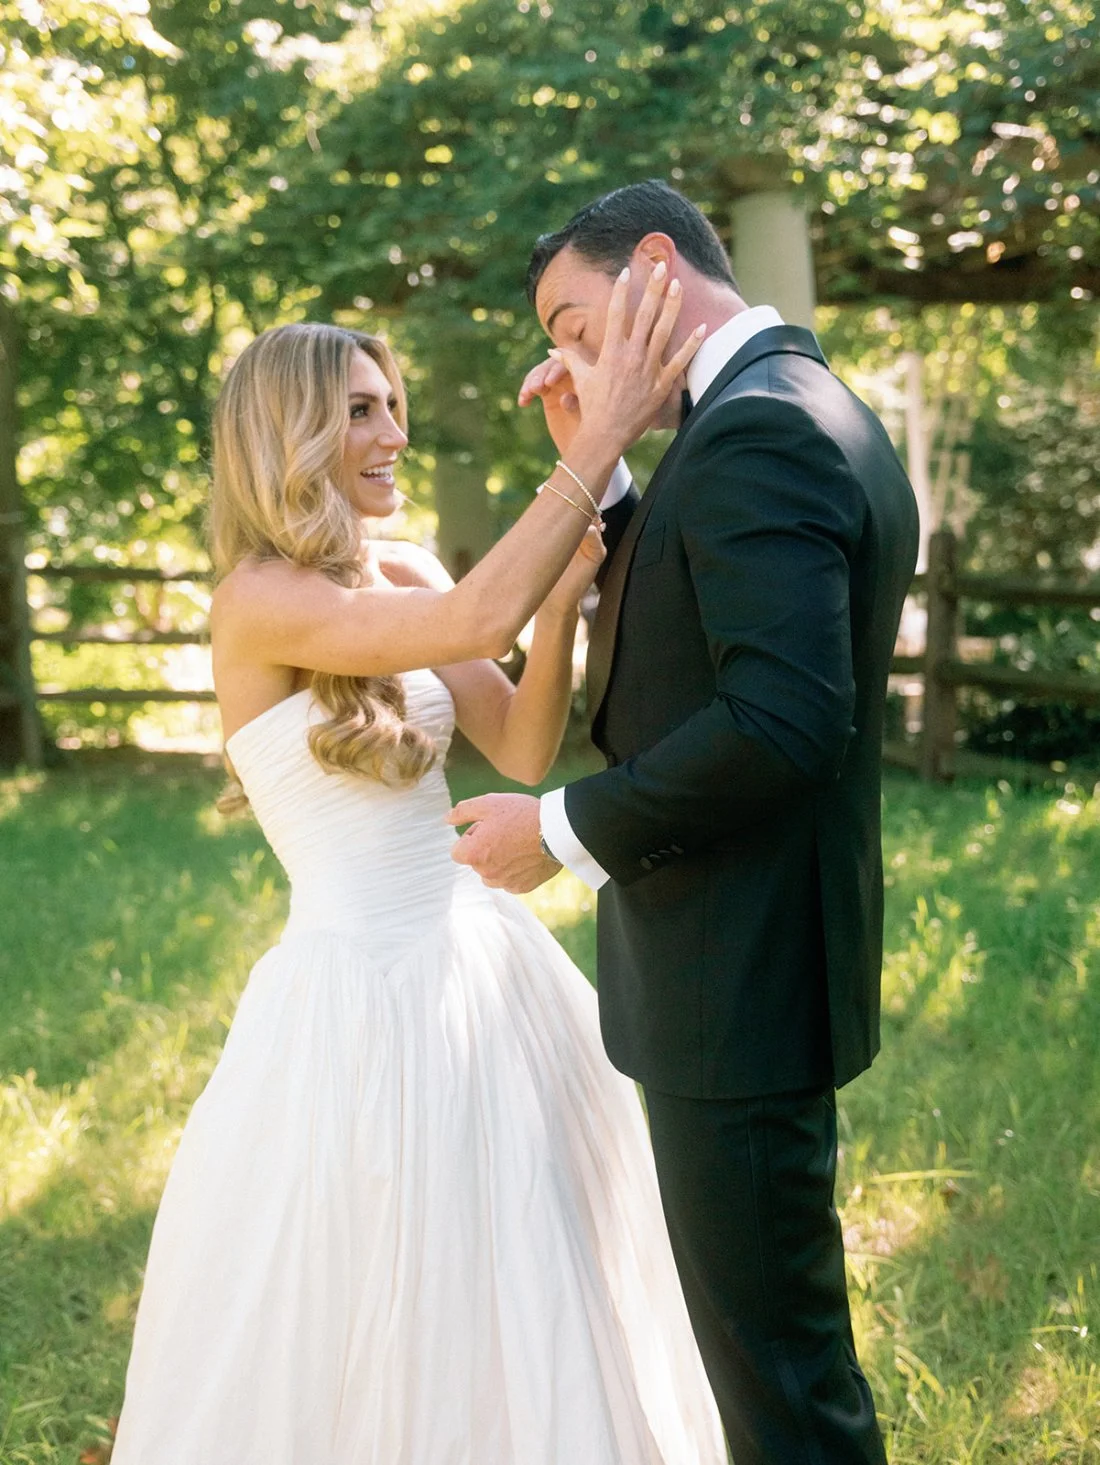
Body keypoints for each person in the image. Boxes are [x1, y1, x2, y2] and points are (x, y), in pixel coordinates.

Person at [109, 293, 727, 1463]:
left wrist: (556, 617)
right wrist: (598, 442)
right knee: (365, 1283)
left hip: (482, 965)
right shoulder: (255, 603)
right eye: (357, 411)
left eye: (392, 405)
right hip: (353, 994)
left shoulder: (405, 566)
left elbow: (524, 746)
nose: (391, 432)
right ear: (286, 435)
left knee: (530, 1268)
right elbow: (472, 612)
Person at [450, 179, 921, 1463]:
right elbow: (689, 620)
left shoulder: (759, 428)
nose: (567, 358)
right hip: (750, 960)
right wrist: (595, 485)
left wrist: (556, 830)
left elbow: (775, 721)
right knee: (770, 1355)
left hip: (739, 973)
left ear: (655, 261)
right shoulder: (766, 411)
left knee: (779, 1382)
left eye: (571, 320)